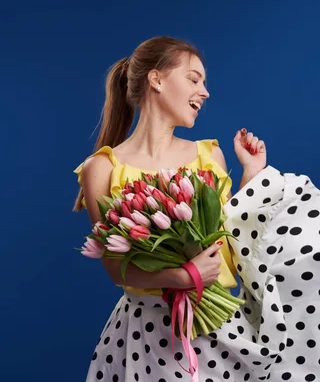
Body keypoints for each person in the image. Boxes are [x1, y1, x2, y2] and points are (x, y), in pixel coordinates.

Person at [73, 36, 269, 382]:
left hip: (220, 328)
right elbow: (116, 269)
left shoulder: (209, 157)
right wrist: (181, 277)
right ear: (156, 80)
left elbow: (235, 245)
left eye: (204, 82)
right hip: (145, 337)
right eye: (194, 79)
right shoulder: (101, 169)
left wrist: (250, 175)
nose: (204, 92)